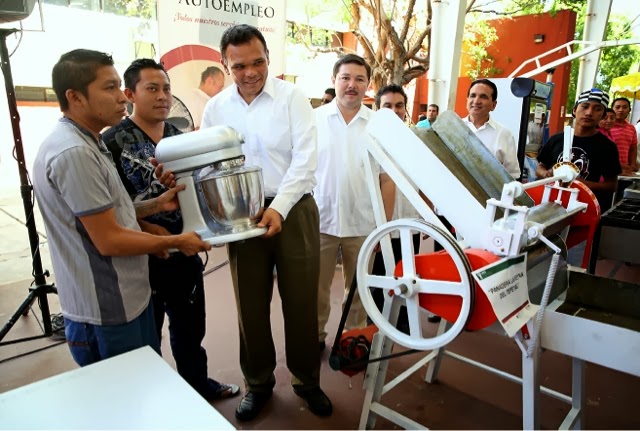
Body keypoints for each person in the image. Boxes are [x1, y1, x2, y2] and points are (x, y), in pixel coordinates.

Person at [32, 49, 211, 367]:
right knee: (124, 405)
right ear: (76, 97)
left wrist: (154, 206)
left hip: (127, 297)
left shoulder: (90, 142)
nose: (121, 98)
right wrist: (174, 241)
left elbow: (105, 211)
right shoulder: (74, 153)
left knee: (148, 380)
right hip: (105, 310)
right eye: (110, 88)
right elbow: (109, 238)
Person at [200, 24, 332, 421]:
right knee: (250, 308)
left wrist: (280, 208)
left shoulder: (292, 99)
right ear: (225, 65)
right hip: (241, 216)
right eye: (239, 65)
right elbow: (207, 165)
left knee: (301, 303)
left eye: (258, 61)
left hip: (294, 211)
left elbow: (306, 160)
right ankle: (258, 384)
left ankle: (307, 382)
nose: (250, 71)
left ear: (268, 59)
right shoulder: (216, 108)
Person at [102, 59, 239, 401]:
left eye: (166, 89)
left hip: (185, 247)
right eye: (152, 89)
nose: (162, 96)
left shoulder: (181, 138)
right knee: (147, 333)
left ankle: (197, 386)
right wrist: (148, 230)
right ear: (129, 93)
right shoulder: (111, 143)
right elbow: (110, 207)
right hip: (140, 254)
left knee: (191, 326)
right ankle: (157, 399)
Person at [314, 55, 396, 351]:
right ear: (334, 80)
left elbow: (387, 180)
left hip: (364, 224)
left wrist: (382, 227)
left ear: (368, 85)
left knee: (359, 291)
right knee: (316, 291)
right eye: (345, 78)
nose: (352, 85)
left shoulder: (379, 125)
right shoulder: (314, 121)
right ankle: (316, 338)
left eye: (359, 79)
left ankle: (353, 341)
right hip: (319, 222)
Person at [371, 84, 421, 332]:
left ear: (406, 108)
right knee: (379, 276)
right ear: (377, 109)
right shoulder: (370, 139)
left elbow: (425, 183)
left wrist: (426, 219)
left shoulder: (417, 141)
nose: (394, 110)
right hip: (382, 222)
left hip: (410, 223)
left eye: (399, 105)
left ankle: (403, 322)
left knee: (409, 276)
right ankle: (376, 325)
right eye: (387, 105)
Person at [536, 88, 621, 213]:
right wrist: (546, 174)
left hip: (582, 208)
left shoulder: (607, 147)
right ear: (575, 110)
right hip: (549, 203)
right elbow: (540, 167)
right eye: (585, 107)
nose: (589, 113)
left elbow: (612, 185)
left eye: (597, 109)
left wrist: (582, 184)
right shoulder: (557, 139)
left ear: (603, 116)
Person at [463, 79, 521, 179]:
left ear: (493, 105)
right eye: (473, 95)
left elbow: (512, 175)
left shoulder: (504, 134)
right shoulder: (453, 126)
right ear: (467, 100)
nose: (476, 101)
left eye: (483, 97)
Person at [609, 97, 639, 175]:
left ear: (629, 110)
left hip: (625, 170)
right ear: (612, 109)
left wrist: (632, 165)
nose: (621, 110)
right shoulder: (606, 126)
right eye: (617, 107)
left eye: (625, 107)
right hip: (608, 168)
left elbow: (633, 148)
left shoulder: (631, 128)